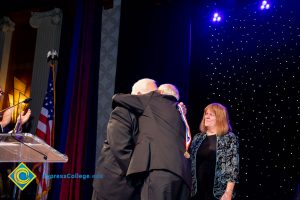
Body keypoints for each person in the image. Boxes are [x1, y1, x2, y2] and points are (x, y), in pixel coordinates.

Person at [112, 83, 191, 200]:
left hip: (160, 171)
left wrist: (141, 96)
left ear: (161, 93)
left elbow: (117, 97)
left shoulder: (153, 98)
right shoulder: (180, 112)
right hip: (183, 177)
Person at [92, 78, 157, 200]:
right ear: (139, 95)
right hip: (113, 186)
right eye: (152, 95)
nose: (154, 99)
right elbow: (121, 150)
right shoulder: (122, 111)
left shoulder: (147, 117)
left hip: (131, 188)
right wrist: (142, 178)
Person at [190, 103, 239, 200]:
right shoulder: (198, 138)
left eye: (211, 115)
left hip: (218, 193)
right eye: (206, 114)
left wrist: (228, 192)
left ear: (220, 118)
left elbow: (233, 168)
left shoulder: (228, 138)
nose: (206, 117)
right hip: (196, 191)